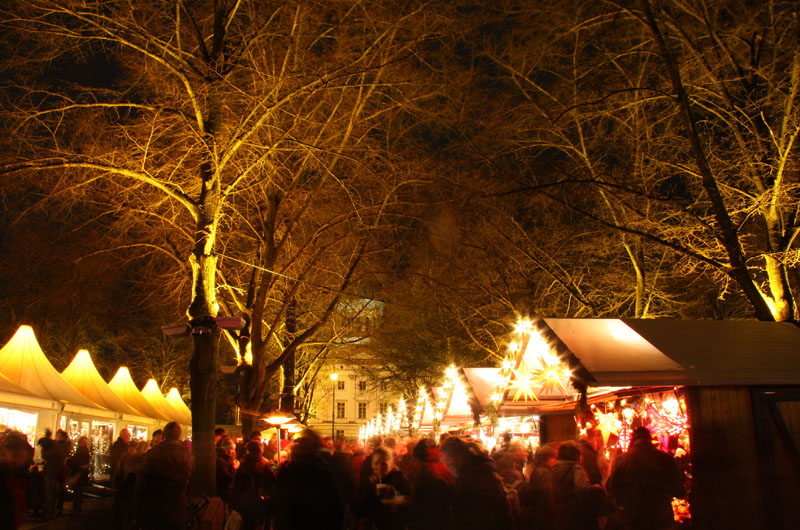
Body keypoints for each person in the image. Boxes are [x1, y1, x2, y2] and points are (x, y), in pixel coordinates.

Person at [606, 427, 685, 530]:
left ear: (633, 440)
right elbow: (679, 490)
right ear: (650, 440)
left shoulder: (622, 460)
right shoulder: (666, 459)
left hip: (632, 519)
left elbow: (612, 489)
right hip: (660, 518)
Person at [271, 429, 344, 530]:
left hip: (294, 523)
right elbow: (336, 503)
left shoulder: (289, 471)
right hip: (319, 522)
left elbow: (278, 501)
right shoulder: (323, 469)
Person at [440, 436, 513, 530]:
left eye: (448, 462)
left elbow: (475, 518)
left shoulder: (472, 480)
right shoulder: (480, 471)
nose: (446, 467)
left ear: (458, 458)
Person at [135, 421, 193, 530]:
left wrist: (138, 511)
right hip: (178, 510)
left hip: (155, 510)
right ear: (179, 436)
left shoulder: (153, 454)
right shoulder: (188, 456)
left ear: (164, 435)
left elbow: (141, 484)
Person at [551, 440, 604, 530]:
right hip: (576, 512)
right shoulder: (576, 468)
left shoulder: (555, 467)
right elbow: (582, 488)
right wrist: (595, 487)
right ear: (575, 454)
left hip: (560, 510)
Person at [357, 446, 410, 530]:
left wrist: (395, 497)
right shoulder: (368, 482)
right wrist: (369, 489)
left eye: (384, 464)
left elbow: (409, 507)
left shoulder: (400, 480)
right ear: (372, 465)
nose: (380, 467)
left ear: (391, 464)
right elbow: (359, 510)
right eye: (376, 463)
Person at [407, 438, 455, 530]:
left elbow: (422, 507)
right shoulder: (445, 470)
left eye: (416, 461)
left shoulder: (427, 477)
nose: (415, 464)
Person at [231, 440, 271, 530]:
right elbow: (270, 483)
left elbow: (237, 486)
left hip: (245, 502)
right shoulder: (265, 464)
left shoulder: (243, 465)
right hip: (260, 501)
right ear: (261, 450)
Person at [43, 429, 70, 519]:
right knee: (55, 492)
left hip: (52, 471)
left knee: (50, 492)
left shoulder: (57, 447)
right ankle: (55, 510)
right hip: (59, 472)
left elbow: (46, 455)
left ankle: (50, 512)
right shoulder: (65, 446)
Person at [67, 436, 90, 516]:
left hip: (79, 475)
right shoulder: (82, 451)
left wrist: (71, 462)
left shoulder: (82, 451)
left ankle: (76, 511)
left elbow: (80, 463)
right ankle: (76, 510)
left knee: (78, 493)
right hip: (79, 475)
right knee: (78, 493)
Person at [216, 435, 238, 505]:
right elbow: (227, 478)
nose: (233, 452)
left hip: (229, 491)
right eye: (232, 449)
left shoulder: (228, 458)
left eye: (234, 449)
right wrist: (234, 468)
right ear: (225, 449)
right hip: (224, 492)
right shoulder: (220, 461)